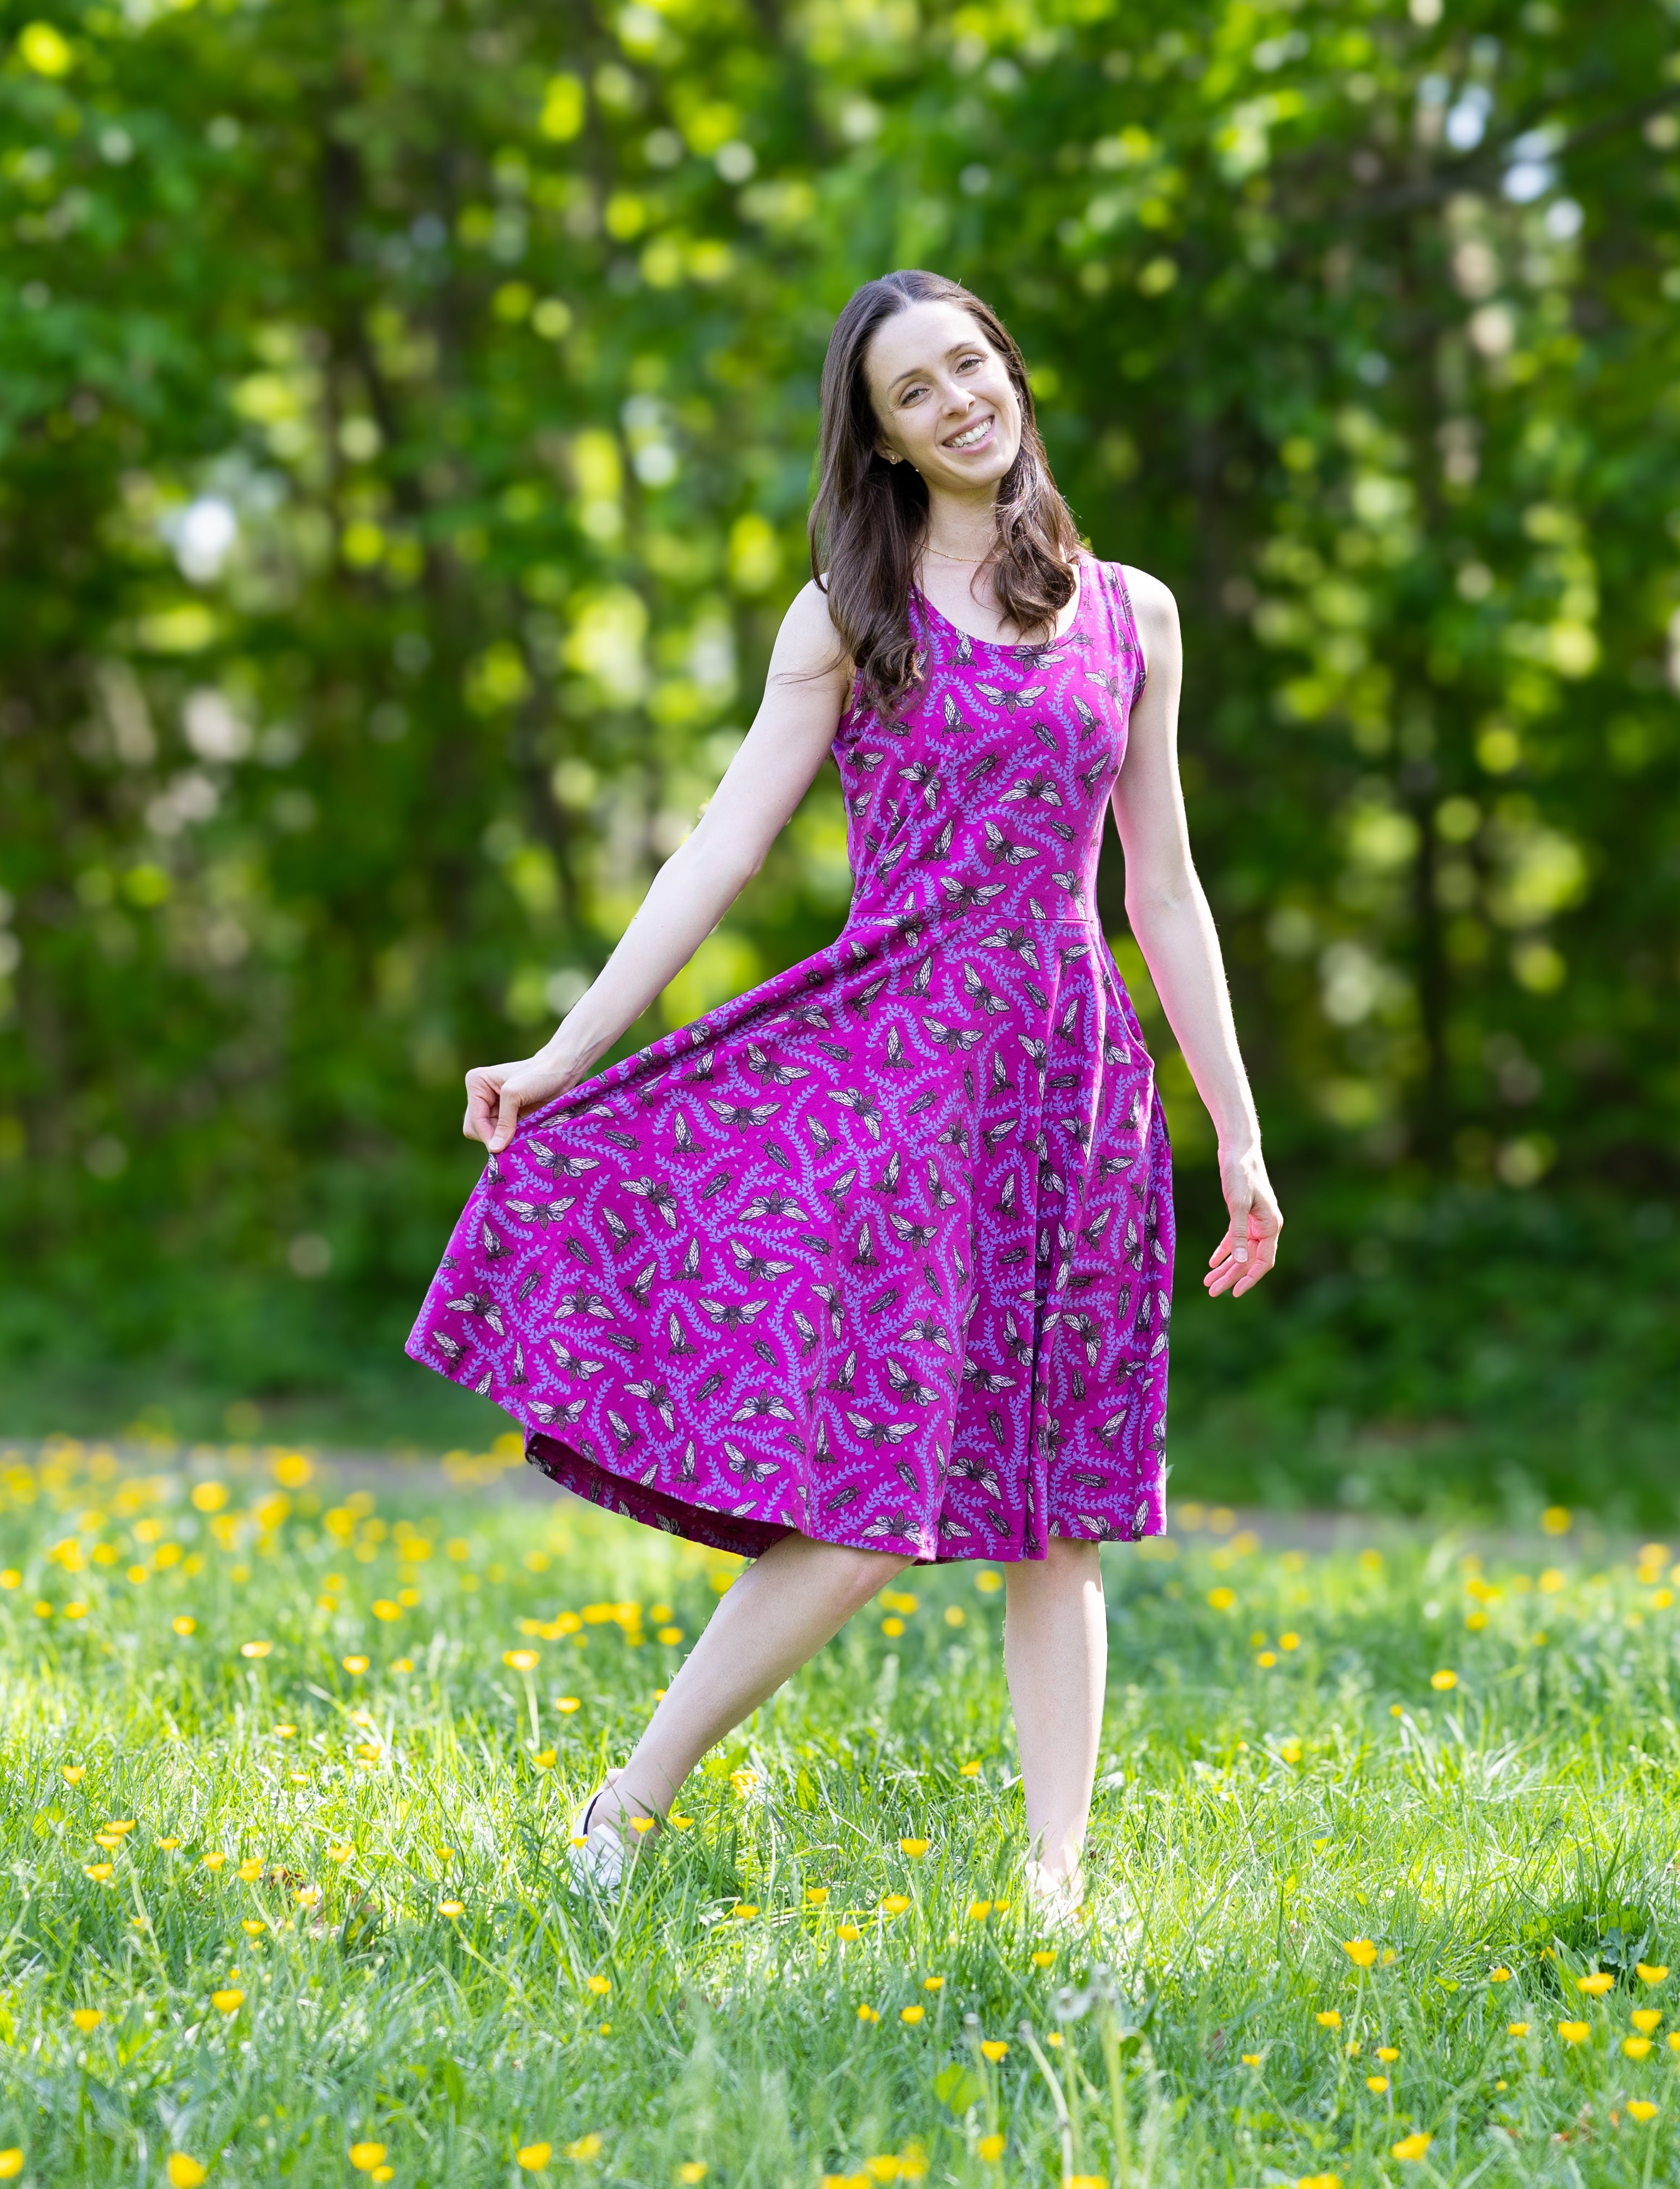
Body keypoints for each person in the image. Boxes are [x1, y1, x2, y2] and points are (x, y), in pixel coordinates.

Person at [405, 268, 1279, 1921]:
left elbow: (1163, 889)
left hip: (1077, 1092)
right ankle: (621, 1815)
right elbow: (721, 847)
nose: (957, 403)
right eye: (912, 394)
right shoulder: (846, 616)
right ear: (880, 441)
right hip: (895, 1086)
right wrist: (565, 1051)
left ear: (1010, 369)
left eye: (969, 365)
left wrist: (1233, 1133)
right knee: (874, 1499)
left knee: (1060, 1507)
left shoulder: (1133, 614)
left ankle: (1058, 1888)